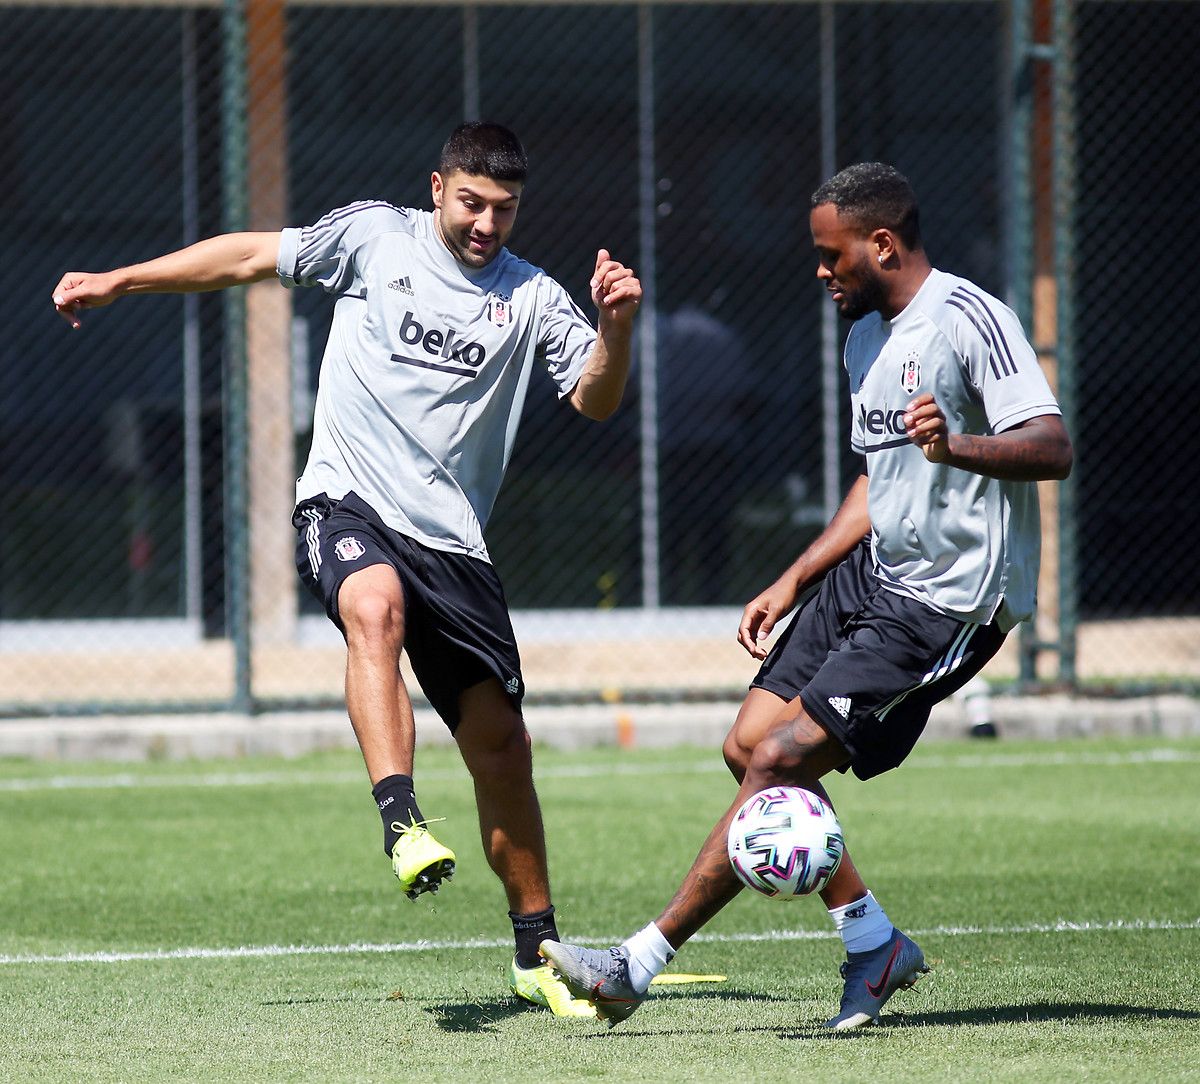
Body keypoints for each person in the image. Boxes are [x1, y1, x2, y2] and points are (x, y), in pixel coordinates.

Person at [52, 122, 641, 1018]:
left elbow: (595, 400)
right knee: (373, 608)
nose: (487, 223)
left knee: (500, 748)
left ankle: (538, 952)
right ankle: (402, 821)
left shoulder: (530, 298)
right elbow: (251, 253)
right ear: (437, 186)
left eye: (505, 209)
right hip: (347, 501)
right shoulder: (376, 237)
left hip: (453, 541)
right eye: (472, 203)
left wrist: (615, 328)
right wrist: (122, 280)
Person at [539, 162, 1072, 1028]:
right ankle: (875, 945)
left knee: (779, 762)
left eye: (832, 256)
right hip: (877, 570)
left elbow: (1052, 447)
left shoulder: (972, 319)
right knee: (749, 742)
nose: (821, 272)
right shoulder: (864, 332)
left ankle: (634, 965)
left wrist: (959, 447)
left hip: (949, 600)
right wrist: (794, 577)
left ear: (883, 244)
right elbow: (877, 479)